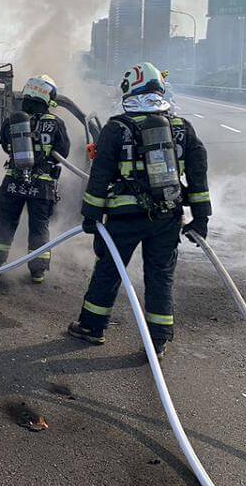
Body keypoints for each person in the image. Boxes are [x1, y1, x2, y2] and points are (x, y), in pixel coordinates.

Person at [67, 62, 211, 359]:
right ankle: (157, 341)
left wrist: (91, 215)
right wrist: (201, 217)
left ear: (128, 91)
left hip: (123, 218)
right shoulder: (182, 128)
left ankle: (92, 327)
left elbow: (100, 176)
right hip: (167, 217)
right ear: (160, 90)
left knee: (109, 270)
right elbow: (198, 175)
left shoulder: (116, 127)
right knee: (160, 276)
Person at [0, 75, 70, 285]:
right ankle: (38, 271)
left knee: (5, 221)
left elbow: (5, 145)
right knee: (39, 227)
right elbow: (63, 152)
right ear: (48, 97)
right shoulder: (56, 123)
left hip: (14, 182)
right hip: (41, 186)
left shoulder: (13, 121)